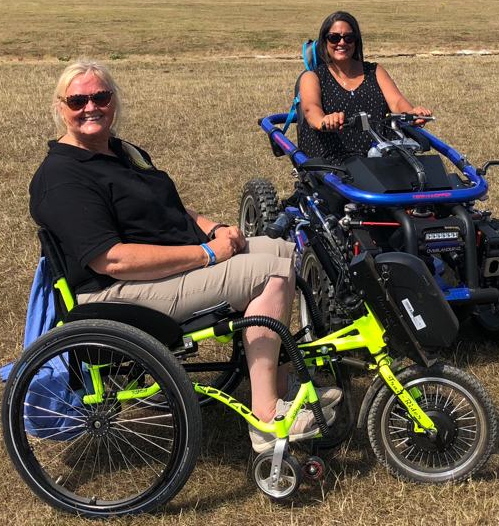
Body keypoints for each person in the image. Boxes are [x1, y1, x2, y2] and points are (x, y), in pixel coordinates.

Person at [29, 60, 337, 452]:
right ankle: (266, 418)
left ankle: (277, 385)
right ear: (60, 107)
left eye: (100, 96)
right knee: (270, 272)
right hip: (114, 293)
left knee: (279, 248)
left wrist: (213, 228)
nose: (91, 107)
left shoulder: (121, 151)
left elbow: (168, 208)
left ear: (114, 101)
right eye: (78, 100)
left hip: (153, 273)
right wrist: (207, 254)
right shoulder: (62, 177)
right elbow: (112, 260)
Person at [297, 11, 432, 162]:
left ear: (356, 41)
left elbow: (396, 101)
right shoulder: (312, 77)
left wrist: (412, 114)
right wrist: (325, 121)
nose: (342, 43)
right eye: (334, 38)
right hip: (335, 157)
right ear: (324, 41)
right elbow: (311, 110)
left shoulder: (374, 71)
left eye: (348, 38)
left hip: (382, 152)